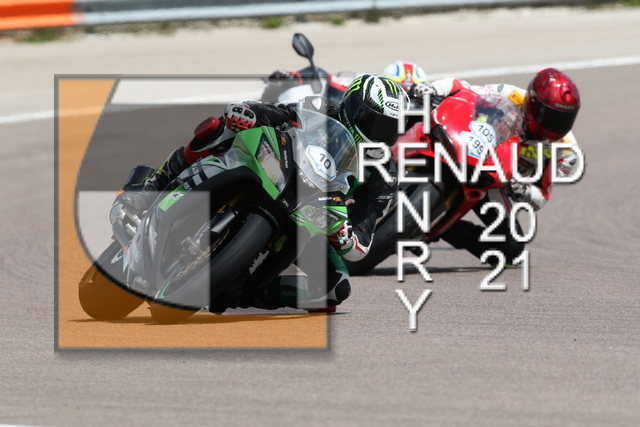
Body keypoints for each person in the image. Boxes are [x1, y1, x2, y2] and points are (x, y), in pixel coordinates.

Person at [115, 74, 407, 311]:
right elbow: (280, 112)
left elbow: (361, 241)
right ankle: (154, 184)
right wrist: (251, 113)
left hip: (313, 215)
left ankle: (248, 291)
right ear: (354, 109)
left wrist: (345, 235)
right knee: (219, 127)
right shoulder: (320, 107)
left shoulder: (385, 175)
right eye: (376, 124)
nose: (381, 136)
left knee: (335, 288)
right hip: (278, 168)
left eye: (391, 129)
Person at [408, 68, 581, 263]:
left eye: (563, 120)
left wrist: (523, 190)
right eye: (548, 116)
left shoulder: (566, 151)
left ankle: (439, 229)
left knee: (511, 247)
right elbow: (463, 88)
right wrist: (433, 89)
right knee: (415, 107)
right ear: (533, 103)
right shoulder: (511, 95)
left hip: (494, 180)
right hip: (465, 144)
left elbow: (541, 196)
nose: (554, 127)